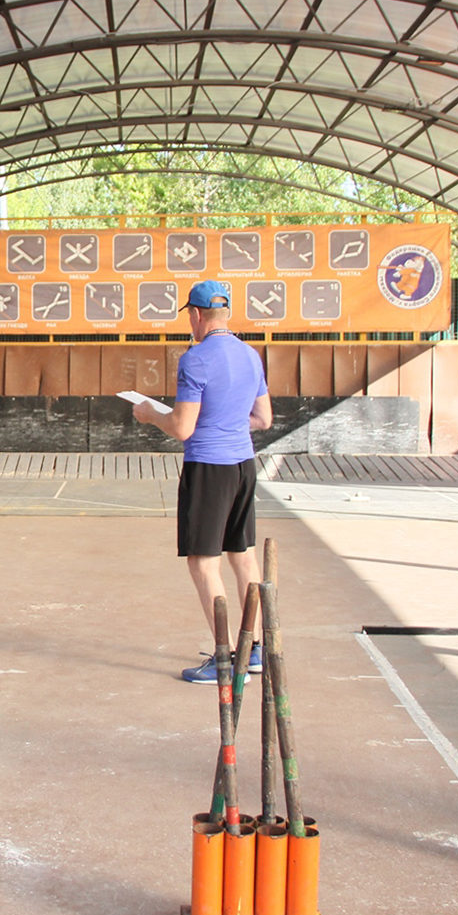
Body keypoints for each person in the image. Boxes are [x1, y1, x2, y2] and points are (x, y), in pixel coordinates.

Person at [133, 280, 273, 682]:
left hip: (209, 468)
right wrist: (226, 422)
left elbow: (182, 427)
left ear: (195, 315)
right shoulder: (250, 355)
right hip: (243, 465)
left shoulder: (195, 359)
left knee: (202, 562)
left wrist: (149, 414)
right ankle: (254, 649)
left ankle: (225, 658)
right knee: (242, 555)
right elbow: (263, 419)